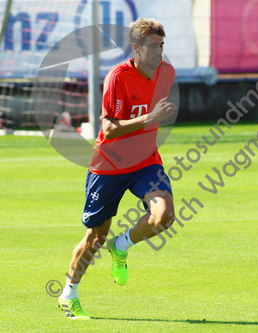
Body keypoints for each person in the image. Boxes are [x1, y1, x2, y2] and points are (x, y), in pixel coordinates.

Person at [58, 18, 177, 319]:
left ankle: (121, 245)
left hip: (146, 161)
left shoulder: (167, 73)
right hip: (109, 165)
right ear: (136, 48)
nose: (159, 52)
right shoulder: (117, 77)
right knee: (95, 238)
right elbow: (109, 129)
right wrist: (150, 118)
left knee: (164, 216)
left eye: (162, 45)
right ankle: (68, 293)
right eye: (152, 46)